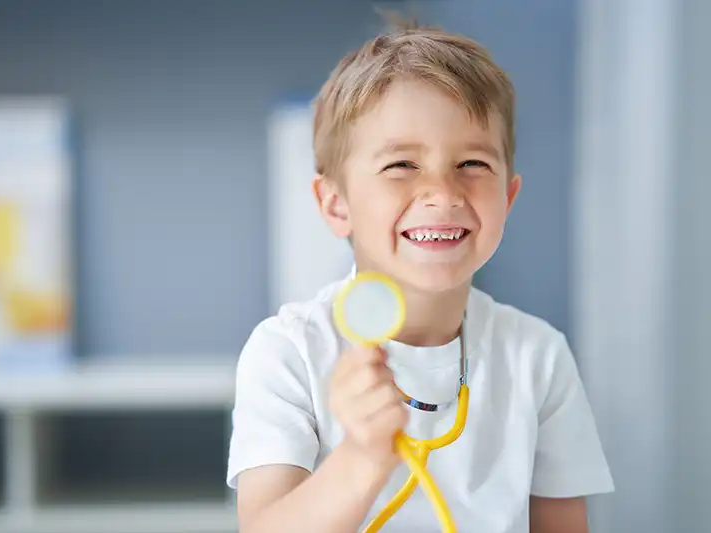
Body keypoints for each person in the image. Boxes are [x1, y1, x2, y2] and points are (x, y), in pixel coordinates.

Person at [226, 15, 613, 533]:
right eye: (402, 165)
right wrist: (362, 457)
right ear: (336, 204)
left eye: (472, 164)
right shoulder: (288, 353)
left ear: (508, 197)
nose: (444, 193)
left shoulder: (539, 358)